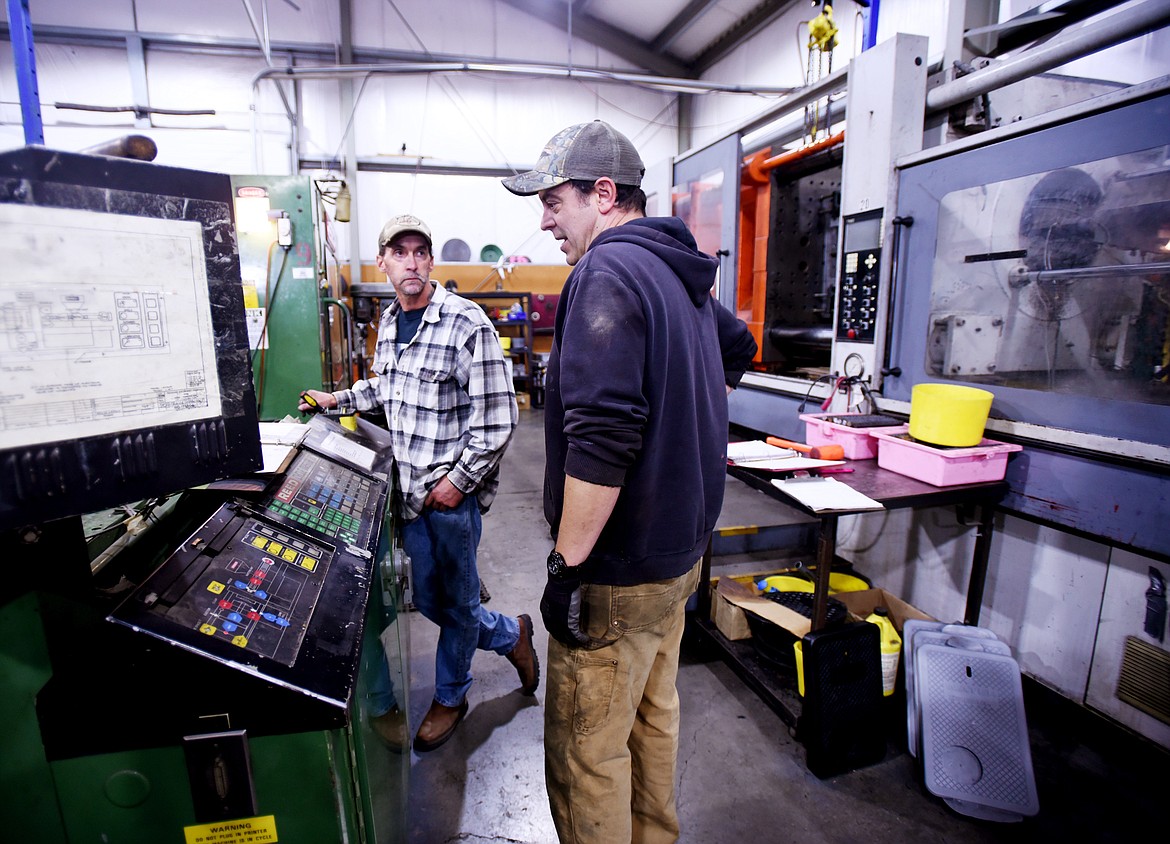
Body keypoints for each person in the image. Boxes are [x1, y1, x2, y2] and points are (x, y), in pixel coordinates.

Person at [501, 121, 758, 842]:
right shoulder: (681, 272)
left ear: (604, 193)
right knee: (652, 719)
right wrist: (688, 420)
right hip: (679, 560)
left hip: (616, 576)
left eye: (555, 201)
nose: (545, 219)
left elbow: (603, 444)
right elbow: (739, 349)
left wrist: (565, 567)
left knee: (589, 755)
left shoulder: (606, 274)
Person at [298, 213, 539, 753]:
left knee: (453, 610)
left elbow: (499, 417)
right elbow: (389, 389)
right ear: (383, 261)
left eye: (420, 251)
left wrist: (459, 482)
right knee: (433, 603)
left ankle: (452, 696)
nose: (411, 261)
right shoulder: (389, 323)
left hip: (448, 500)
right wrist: (338, 399)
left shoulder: (465, 322)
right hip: (407, 497)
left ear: (431, 260)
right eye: (399, 252)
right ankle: (510, 635)